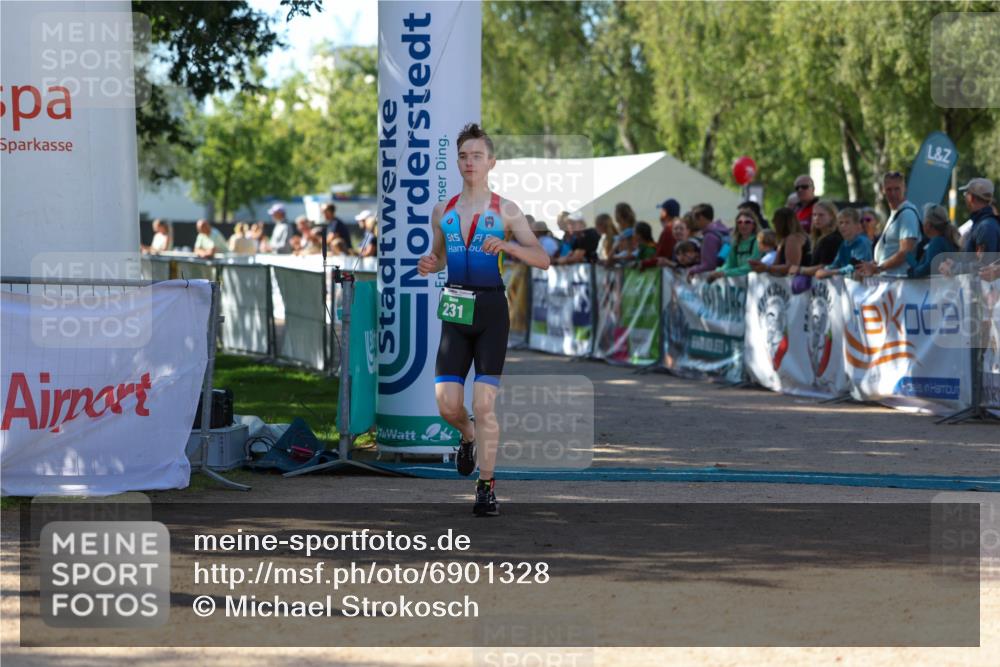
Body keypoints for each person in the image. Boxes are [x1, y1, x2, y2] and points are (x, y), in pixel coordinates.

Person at [417, 123, 551, 517]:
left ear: (491, 162)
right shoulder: (443, 210)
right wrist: (431, 263)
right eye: (463, 156)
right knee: (447, 406)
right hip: (456, 310)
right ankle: (467, 434)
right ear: (457, 162)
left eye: (477, 155)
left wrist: (508, 245)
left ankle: (486, 487)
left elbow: (542, 258)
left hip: (492, 311)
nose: (469, 162)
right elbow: (438, 256)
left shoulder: (505, 210)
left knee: (484, 403)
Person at [857, 172, 920, 278]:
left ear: (904, 188)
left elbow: (906, 252)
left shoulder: (907, 214)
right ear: (883, 190)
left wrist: (878, 268)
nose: (893, 193)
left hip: (900, 282)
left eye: (897, 189)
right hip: (890, 280)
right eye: (889, 189)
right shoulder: (896, 213)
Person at [941, 178, 1000, 276]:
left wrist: (955, 268)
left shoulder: (985, 226)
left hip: (984, 290)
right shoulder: (982, 224)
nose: (965, 197)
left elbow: (983, 266)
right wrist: (955, 264)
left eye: (966, 194)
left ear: (971, 198)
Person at [797, 207, 872, 279]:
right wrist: (825, 270)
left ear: (857, 225)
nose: (843, 226)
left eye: (847, 222)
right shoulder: (844, 243)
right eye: (841, 223)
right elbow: (835, 264)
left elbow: (857, 267)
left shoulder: (862, 242)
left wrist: (831, 272)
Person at [750, 207, 810, 277]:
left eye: (775, 221)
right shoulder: (784, 240)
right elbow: (776, 264)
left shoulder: (793, 239)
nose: (773, 224)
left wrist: (766, 268)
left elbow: (792, 267)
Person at [906, 204, 959, 278]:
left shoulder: (937, 242)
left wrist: (912, 272)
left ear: (928, 225)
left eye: (924, 220)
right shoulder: (948, 240)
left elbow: (929, 266)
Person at [708, 208, 761, 280]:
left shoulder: (758, 241)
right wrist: (717, 271)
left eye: (747, 222)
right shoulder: (735, 242)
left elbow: (750, 267)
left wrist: (725, 273)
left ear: (754, 225)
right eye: (740, 222)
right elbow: (730, 264)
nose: (743, 225)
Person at [687, 203, 730, 276]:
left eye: (694, 218)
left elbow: (709, 265)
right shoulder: (721, 231)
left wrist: (693, 270)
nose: (693, 222)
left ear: (701, 217)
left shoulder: (709, 236)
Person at [806, 200, 843, 268]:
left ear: (831, 216)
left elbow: (825, 266)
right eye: (814, 215)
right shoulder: (818, 236)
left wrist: (801, 270)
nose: (816, 218)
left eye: (821, 215)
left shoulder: (832, 239)